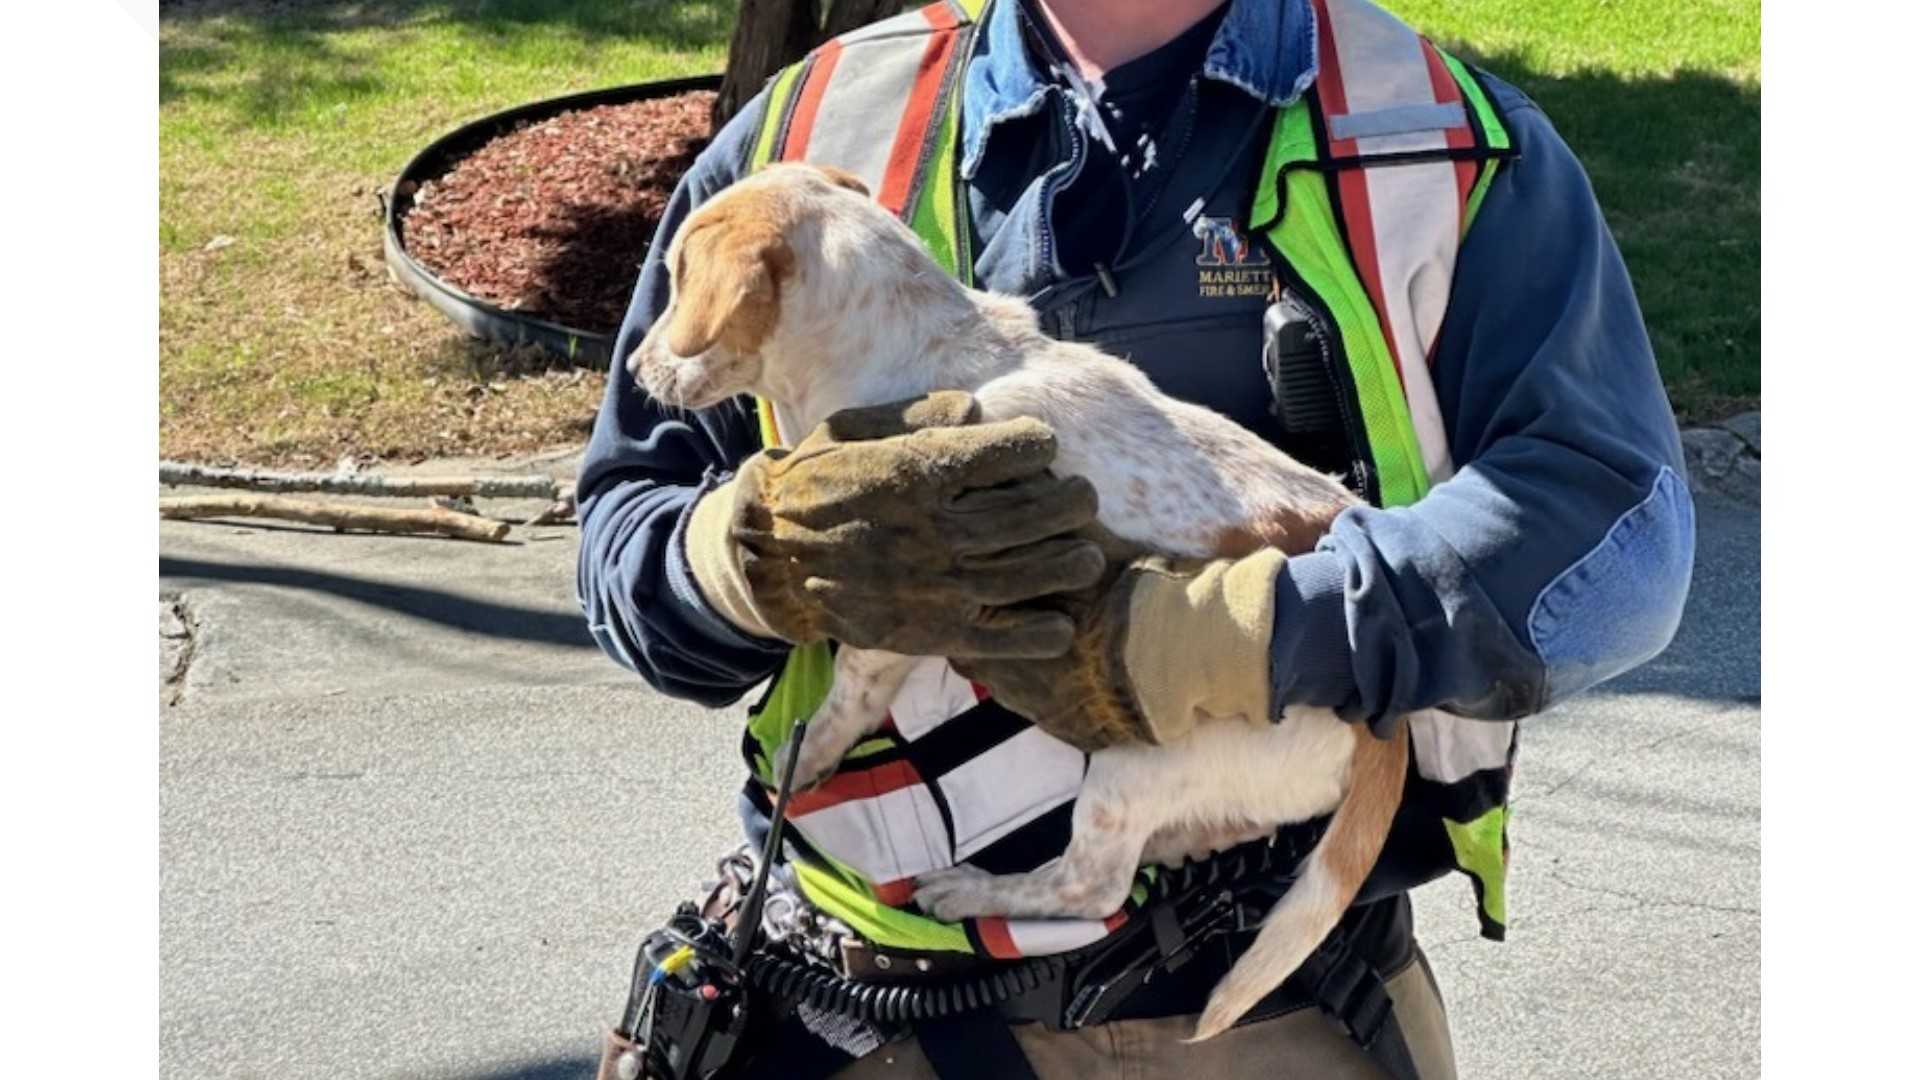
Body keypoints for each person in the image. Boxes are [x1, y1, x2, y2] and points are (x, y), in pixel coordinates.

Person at [575, 0, 1695, 1076]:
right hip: (874, 1015)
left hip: (1284, 1021)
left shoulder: (1429, 138)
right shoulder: (809, 136)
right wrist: (749, 559)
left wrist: (1243, 636)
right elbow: (626, 541)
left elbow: (1617, 531)